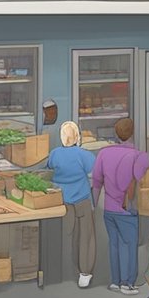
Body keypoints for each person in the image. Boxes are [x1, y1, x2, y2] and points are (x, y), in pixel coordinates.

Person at [92, 118, 149, 295]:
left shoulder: (103, 153)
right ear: (133, 132)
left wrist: (94, 205)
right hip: (127, 209)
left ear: (116, 134)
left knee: (114, 244)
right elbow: (142, 181)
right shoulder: (139, 156)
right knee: (130, 244)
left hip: (109, 209)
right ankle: (128, 283)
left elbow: (96, 181)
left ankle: (115, 281)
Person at [48, 121, 97, 288]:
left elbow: (49, 168)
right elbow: (94, 172)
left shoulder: (54, 154)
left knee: (66, 235)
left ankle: (63, 270)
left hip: (62, 200)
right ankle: (85, 273)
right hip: (82, 199)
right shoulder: (84, 154)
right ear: (77, 137)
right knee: (86, 236)